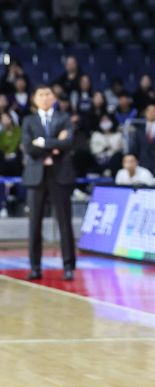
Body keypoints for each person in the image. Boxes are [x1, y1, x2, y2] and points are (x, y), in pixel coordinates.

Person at [21, 84, 76, 281]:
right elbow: (28, 146)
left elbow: (68, 143)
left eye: (48, 94)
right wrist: (54, 145)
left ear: (54, 98)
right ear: (34, 99)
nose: (45, 98)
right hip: (36, 176)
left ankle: (68, 266)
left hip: (60, 175)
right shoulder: (28, 120)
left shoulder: (63, 118)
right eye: (41, 94)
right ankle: (35, 267)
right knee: (34, 224)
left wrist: (42, 143)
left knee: (64, 223)